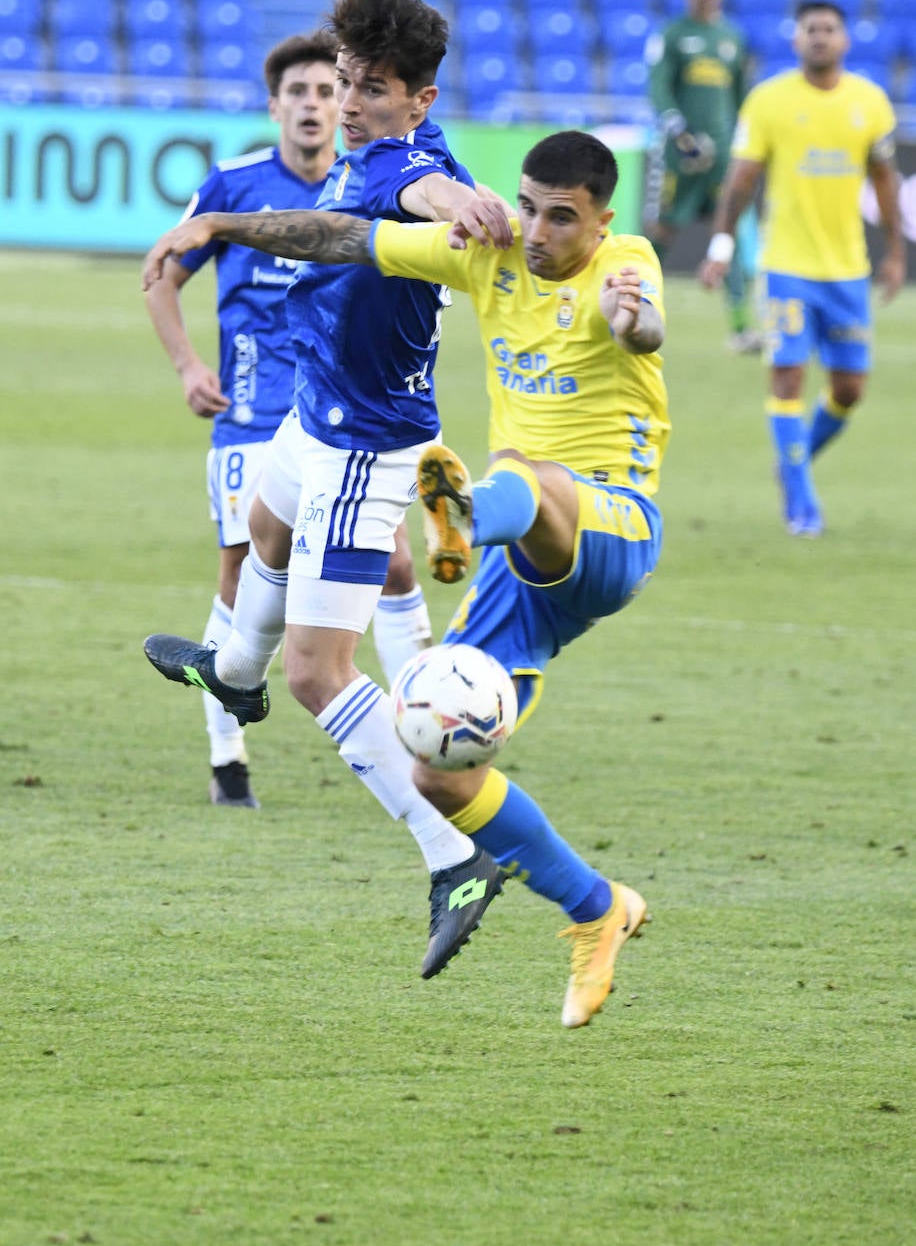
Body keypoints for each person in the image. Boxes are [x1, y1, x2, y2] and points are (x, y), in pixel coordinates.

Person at [143, 129, 669, 1030]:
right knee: (438, 768)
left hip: (612, 523)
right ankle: (596, 908)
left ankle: (465, 513)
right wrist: (221, 225)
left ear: (602, 220)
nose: (540, 232)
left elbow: (642, 321)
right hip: (520, 578)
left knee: (529, 477)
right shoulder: (492, 257)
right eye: (529, 208)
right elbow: (345, 236)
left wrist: (633, 321)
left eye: (562, 218)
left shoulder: (627, 261)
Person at [141, 0, 515, 979]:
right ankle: (233, 674)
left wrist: (462, 204)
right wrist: (225, 229)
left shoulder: (402, 164)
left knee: (317, 672)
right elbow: (336, 227)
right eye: (345, 81)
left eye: (371, 88)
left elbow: (419, 197)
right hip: (312, 416)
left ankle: (454, 858)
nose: (348, 103)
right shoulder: (378, 147)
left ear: (419, 101)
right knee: (262, 527)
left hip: (362, 446)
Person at [145, 30, 434, 810]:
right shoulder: (235, 184)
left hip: (336, 409)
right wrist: (189, 367)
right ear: (274, 106)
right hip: (250, 414)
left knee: (397, 564)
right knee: (243, 566)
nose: (313, 104)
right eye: (298, 92)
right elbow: (161, 273)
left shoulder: (358, 178)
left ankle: (427, 720)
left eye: (325, 91)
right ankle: (228, 761)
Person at [699, 0, 905, 536]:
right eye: (811, 29)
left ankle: (792, 462)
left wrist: (896, 252)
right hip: (786, 266)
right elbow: (741, 180)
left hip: (848, 269)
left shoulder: (869, 102)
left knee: (849, 389)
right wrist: (721, 245)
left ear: (844, 40)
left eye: (829, 28)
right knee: (787, 376)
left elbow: (885, 179)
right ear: (797, 40)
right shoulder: (769, 101)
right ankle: (802, 504)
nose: (820, 36)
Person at [644, 0, 762, 354]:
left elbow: (741, 97)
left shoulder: (733, 37)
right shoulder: (671, 34)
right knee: (661, 232)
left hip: (723, 155)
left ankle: (741, 328)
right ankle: (634, 307)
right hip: (680, 154)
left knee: (728, 231)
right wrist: (679, 131)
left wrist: (746, 143)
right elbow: (658, 88)